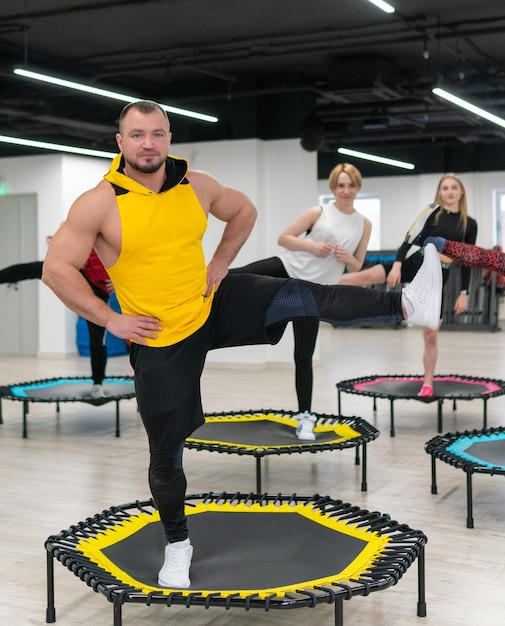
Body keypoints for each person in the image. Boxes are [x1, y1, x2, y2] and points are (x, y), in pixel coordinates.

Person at [42, 99, 442, 590]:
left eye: (158, 133)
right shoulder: (99, 202)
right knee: (165, 453)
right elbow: (55, 269)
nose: (149, 143)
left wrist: (221, 262)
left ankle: (405, 305)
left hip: (212, 301)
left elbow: (244, 212)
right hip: (157, 332)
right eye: (138, 135)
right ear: (120, 142)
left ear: (169, 137)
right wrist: (110, 319)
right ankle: (178, 543)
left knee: (300, 295)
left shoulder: (197, 184)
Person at [231, 163, 371, 440]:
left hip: (313, 292)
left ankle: (305, 417)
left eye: (350, 185)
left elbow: (357, 267)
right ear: (333, 187)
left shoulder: (364, 224)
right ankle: (187, 287)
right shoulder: (318, 212)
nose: (345, 190)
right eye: (340, 185)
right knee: (235, 276)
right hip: (287, 268)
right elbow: (284, 238)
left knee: (303, 355)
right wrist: (312, 246)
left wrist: (347, 259)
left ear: (357, 187)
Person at [339, 173, 478, 397]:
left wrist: (465, 292)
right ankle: (320, 285)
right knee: (365, 277)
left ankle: (428, 382)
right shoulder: (432, 216)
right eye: (445, 188)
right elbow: (407, 242)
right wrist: (396, 266)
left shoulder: (469, 224)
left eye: (454, 188)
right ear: (439, 192)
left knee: (430, 334)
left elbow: (468, 260)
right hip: (416, 263)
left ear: (461, 192)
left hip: (439, 277)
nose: (450, 192)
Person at [0, 252, 113, 399]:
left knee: (97, 340)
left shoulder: (116, 238)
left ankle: (97, 385)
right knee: (37, 268)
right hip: (79, 275)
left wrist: (121, 282)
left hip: (99, 289)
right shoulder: (87, 234)